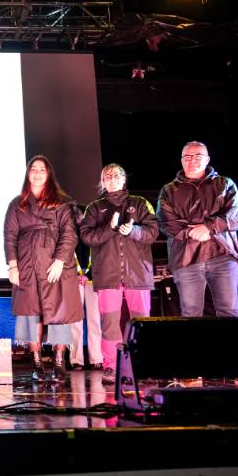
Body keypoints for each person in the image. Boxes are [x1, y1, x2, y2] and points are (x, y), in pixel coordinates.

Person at [3, 155, 83, 383]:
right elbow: (10, 236)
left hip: (56, 266)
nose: (37, 173)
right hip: (27, 264)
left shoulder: (62, 203)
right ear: (28, 174)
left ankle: (58, 361)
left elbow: (69, 234)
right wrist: (13, 265)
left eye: (42, 170)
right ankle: (36, 362)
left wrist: (59, 260)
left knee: (60, 313)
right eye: (33, 169)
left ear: (48, 175)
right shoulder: (17, 204)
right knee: (31, 314)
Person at [80, 163, 158, 383]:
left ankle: (142, 365)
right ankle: (111, 367)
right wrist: (110, 228)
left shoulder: (140, 203)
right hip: (107, 276)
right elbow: (87, 237)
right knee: (109, 324)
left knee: (141, 323)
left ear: (124, 180)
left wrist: (133, 230)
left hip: (138, 275)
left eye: (116, 176)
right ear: (102, 182)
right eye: (107, 176)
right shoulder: (94, 208)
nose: (112, 179)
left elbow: (153, 232)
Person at [157, 141, 238, 317]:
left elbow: (236, 214)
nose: (192, 161)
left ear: (207, 159)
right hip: (186, 259)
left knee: (229, 311)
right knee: (191, 314)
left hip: (222, 255)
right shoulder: (169, 190)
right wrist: (191, 232)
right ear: (181, 160)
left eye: (198, 157)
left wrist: (209, 228)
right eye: (187, 157)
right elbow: (166, 222)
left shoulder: (225, 184)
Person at [68, 234, 103, 371]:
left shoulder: (94, 226)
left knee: (95, 319)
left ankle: (96, 359)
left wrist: (88, 275)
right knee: (75, 321)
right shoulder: (69, 228)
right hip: (73, 279)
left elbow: (102, 253)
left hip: (94, 278)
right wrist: (73, 275)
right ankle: (76, 360)